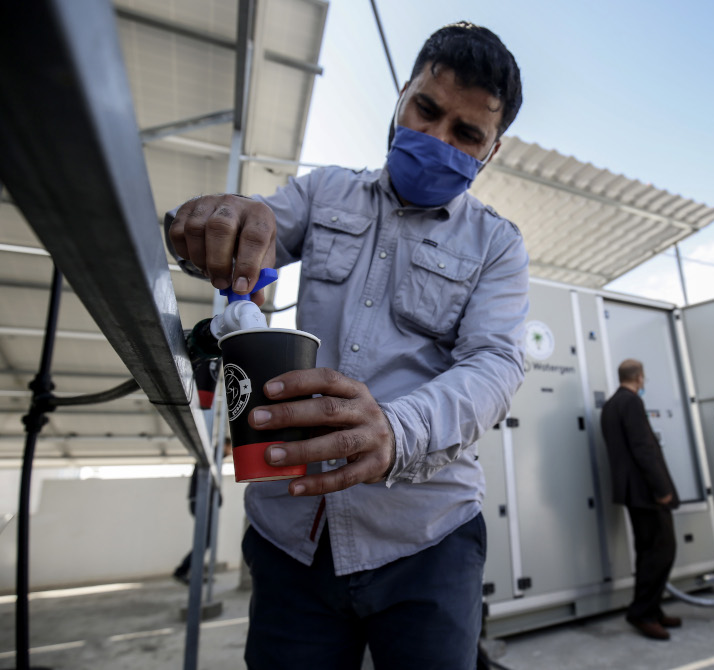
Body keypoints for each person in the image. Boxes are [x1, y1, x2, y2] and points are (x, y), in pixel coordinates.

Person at [165, 22, 526, 669]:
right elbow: (261, 231)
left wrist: (395, 430)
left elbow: (496, 362)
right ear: (401, 97)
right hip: (291, 536)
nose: (436, 139)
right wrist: (229, 228)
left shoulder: (497, 245)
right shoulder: (323, 191)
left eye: (466, 134)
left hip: (427, 535)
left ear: (491, 151)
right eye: (427, 110)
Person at [599, 359, 681, 641]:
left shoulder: (610, 406)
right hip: (647, 492)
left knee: (649, 552)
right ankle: (643, 613)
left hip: (633, 492)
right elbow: (643, 448)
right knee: (661, 552)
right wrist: (662, 488)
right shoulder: (631, 403)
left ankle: (652, 609)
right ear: (639, 377)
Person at [174, 438, 233, 585]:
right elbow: (208, 480)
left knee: (205, 541)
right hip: (202, 502)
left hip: (202, 502)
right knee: (204, 542)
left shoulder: (213, 456)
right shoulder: (211, 456)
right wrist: (217, 497)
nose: (231, 452)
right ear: (225, 446)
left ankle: (193, 573)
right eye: (231, 448)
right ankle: (182, 571)